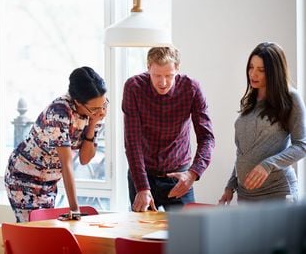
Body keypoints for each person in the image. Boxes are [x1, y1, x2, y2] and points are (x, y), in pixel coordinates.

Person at [4, 66, 107, 222]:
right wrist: (75, 210)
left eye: (103, 104)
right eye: (94, 109)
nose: (101, 111)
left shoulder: (97, 108)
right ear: (78, 102)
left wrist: (92, 124)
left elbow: (85, 159)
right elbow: (67, 164)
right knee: (35, 234)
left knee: (45, 233)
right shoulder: (59, 113)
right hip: (24, 177)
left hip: (50, 181)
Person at [122, 46, 215, 212]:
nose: (163, 82)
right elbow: (132, 142)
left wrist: (193, 174)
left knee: (186, 234)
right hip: (143, 176)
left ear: (177, 69)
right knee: (140, 234)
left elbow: (207, 138)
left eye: (169, 76)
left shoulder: (191, 89)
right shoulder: (134, 87)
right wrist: (142, 187)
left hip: (179, 176)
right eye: (157, 75)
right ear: (148, 67)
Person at [219, 42, 306, 204]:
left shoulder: (291, 98)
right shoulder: (250, 101)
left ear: (275, 72)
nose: (253, 74)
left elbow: (302, 145)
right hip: (246, 195)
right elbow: (242, 152)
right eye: (251, 67)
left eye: (261, 70)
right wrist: (231, 185)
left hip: (278, 192)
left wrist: (268, 164)